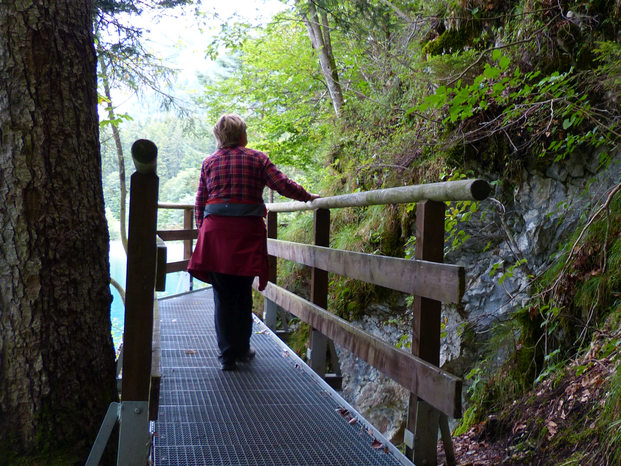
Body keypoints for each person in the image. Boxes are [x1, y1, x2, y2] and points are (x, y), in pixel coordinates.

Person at [187, 114, 319, 371]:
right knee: (242, 292)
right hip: (246, 233)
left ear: (219, 137)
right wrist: (307, 197)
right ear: (242, 135)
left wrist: (202, 232)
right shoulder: (257, 158)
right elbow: (282, 185)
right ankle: (242, 349)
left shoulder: (209, 163)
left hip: (215, 235)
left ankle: (227, 356)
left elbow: (200, 203)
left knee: (223, 296)